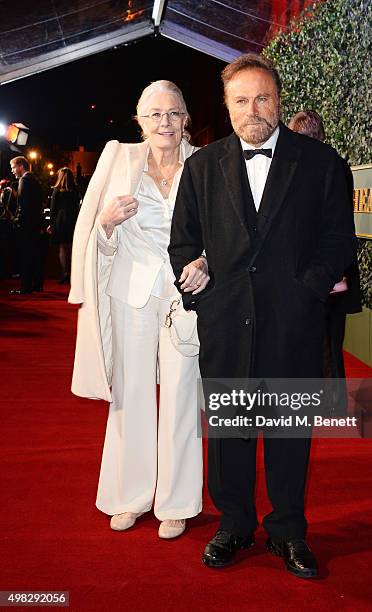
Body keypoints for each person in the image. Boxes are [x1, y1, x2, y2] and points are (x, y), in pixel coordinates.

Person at [169, 54, 357, 577]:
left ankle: (289, 530)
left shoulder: (319, 163)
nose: (253, 109)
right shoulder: (202, 167)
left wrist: (308, 292)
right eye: (241, 100)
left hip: (292, 323)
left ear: (279, 100)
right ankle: (233, 523)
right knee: (229, 432)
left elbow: (339, 239)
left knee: (288, 433)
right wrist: (195, 280)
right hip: (226, 323)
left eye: (263, 98)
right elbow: (183, 240)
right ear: (227, 107)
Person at [69, 81, 208, 538]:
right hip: (130, 294)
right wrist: (107, 226)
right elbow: (92, 227)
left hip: (183, 298)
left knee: (181, 396)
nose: (164, 122)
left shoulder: (205, 163)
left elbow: (223, 232)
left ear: (186, 118)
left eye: (173, 113)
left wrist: (207, 261)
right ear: (140, 120)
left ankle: (176, 502)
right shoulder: (119, 157)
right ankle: (129, 496)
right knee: (130, 397)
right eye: (154, 114)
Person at [288, 110, 362, 413]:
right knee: (327, 336)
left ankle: (330, 402)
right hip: (327, 267)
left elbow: (334, 225)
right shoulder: (335, 165)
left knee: (327, 338)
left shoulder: (326, 166)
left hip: (329, 269)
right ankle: (327, 400)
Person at [9, 156, 43, 294]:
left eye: (13, 167)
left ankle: (25, 287)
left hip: (25, 225)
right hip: (34, 224)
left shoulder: (24, 180)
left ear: (20, 166)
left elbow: (22, 203)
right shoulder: (34, 180)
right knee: (34, 255)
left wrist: (17, 220)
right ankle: (37, 285)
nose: (12, 171)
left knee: (25, 256)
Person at [47, 167, 80, 283]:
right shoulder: (75, 190)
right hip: (73, 219)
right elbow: (78, 205)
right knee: (72, 247)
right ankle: (74, 274)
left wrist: (51, 223)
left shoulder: (57, 190)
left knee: (62, 248)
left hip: (60, 220)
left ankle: (65, 273)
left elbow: (53, 208)